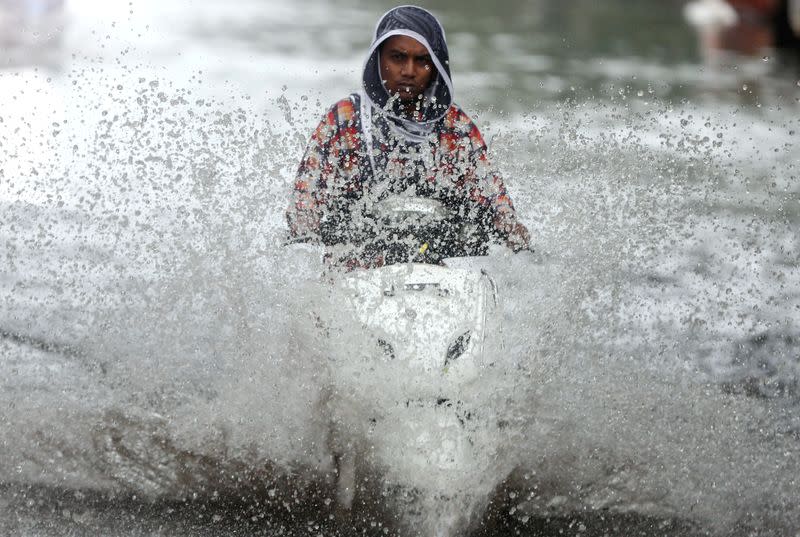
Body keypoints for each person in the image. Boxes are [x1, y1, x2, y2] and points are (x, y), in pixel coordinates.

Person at [286, 5, 530, 268]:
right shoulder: (344, 120)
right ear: (378, 59)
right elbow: (305, 201)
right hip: (354, 273)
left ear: (436, 66)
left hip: (440, 275)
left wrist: (517, 240)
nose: (409, 71)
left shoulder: (456, 128)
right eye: (398, 57)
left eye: (422, 60)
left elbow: (495, 200)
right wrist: (304, 239)